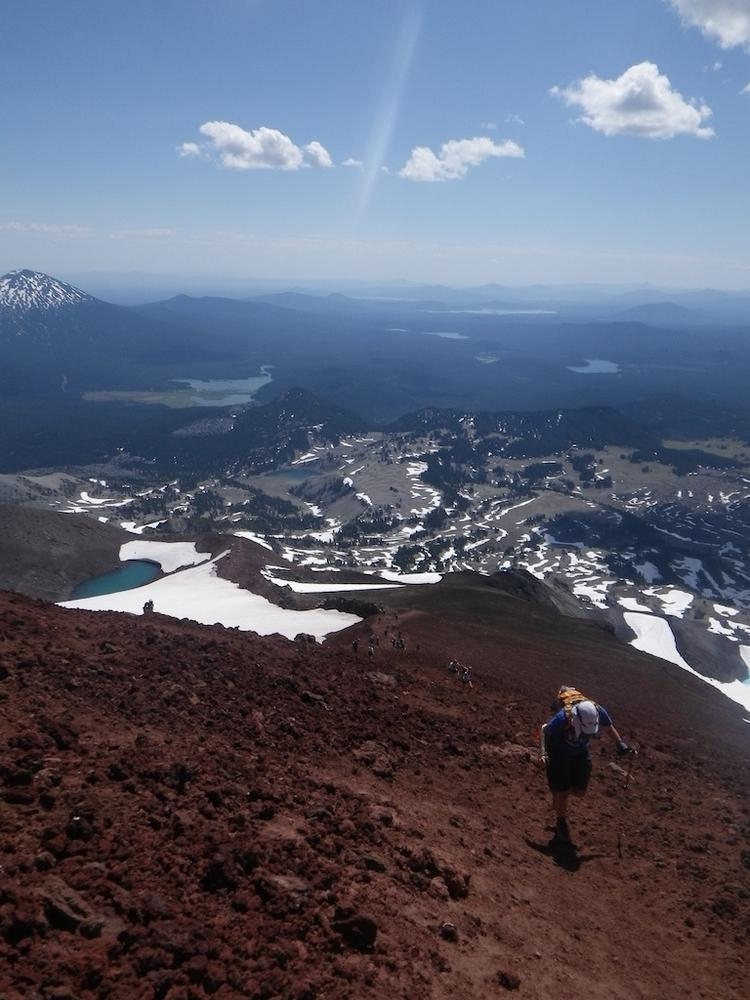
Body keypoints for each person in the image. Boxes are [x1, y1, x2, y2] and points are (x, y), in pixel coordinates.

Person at [540, 686, 635, 844]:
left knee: (579, 791)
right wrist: (543, 753)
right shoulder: (562, 718)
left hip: (580, 752)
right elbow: (545, 730)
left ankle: (559, 795)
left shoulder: (597, 711)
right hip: (558, 752)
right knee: (563, 789)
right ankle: (561, 821)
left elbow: (608, 726)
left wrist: (620, 745)